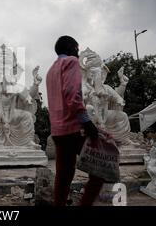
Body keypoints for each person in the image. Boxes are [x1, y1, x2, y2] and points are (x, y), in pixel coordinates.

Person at [46, 35, 104, 206]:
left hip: (57, 131)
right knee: (99, 169)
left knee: (63, 176)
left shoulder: (51, 70)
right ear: (71, 48)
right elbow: (73, 95)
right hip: (73, 129)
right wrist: (87, 122)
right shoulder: (71, 62)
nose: (78, 54)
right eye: (77, 50)